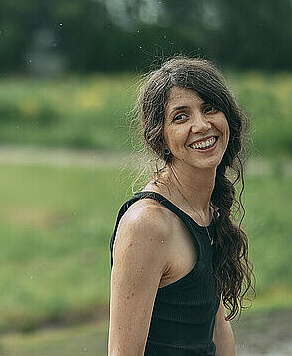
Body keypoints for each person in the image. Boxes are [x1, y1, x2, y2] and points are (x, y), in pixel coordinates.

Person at [108, 57, 255, 356]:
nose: (201, 125)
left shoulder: (207, 208)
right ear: (159, 136)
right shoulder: (147, 224)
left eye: (210, 108)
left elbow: (217, 327)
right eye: (180, 117)